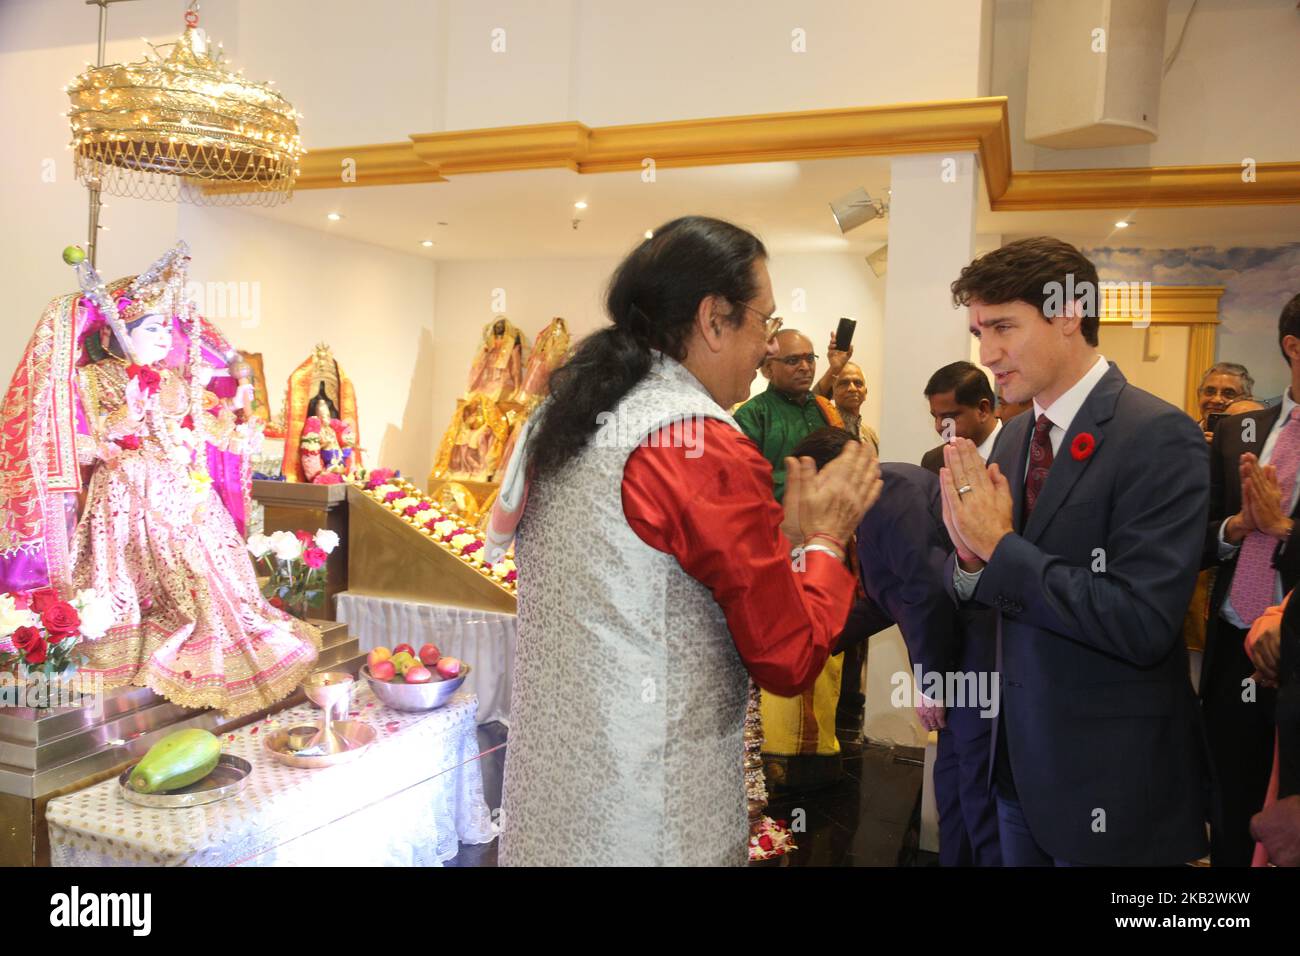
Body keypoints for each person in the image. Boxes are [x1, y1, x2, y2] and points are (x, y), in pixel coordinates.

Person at [496, 216, 881, 866]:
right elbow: (786, 657)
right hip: (651, 815)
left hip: (550, 793)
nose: (766, 348)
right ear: (713, 319)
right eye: (764, 321)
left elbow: (649, 575)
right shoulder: (697, 443)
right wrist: (825, 541)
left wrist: (780, 540)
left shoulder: (567, 413)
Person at [940, 236, 1210, 866]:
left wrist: (998, 549)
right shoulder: (1010, 441)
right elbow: (999, 596)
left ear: (1068, 315)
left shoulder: (1158, 436)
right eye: (980, 330)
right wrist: (969, 566)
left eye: (1003, 326)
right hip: (1016, 772)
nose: (988, 354)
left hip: (1109, 784)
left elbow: (1142, 622)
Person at [1, 245, 322, 716]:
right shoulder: (90, 380)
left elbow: (204, 428)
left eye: (164, 327)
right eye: (151, 327)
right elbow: (77, 446)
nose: (163, 336)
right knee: (144, 578)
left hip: (183, 488)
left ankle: (222, 638)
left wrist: (240, 436)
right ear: (117, 333)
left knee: (209, 572)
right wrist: (122, 419)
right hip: (127, 494)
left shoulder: (171, 379)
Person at [794, 427, 1001, 866]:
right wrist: (812, 640)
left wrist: (931, 684)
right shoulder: (872, 507)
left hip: (973, 659)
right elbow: (881, 600)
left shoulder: (892, 493)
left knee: (975, 791)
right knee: (952, 788)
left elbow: (926, 591)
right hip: (952, 658)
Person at [1202, 292, 1300, 865]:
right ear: (1293, 347)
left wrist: (1285, 526)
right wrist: (1240, 525)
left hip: (1296, 651)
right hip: (1235, 647)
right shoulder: (1240, 432)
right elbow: (1194, 540)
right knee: (1233, 809)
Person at [735, 328, 852, 785]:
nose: (805, 366)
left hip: (825, 542)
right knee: (785, 642)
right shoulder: (753, 415)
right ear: (767, 368)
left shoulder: (822, 410)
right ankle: (776, 754)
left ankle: (820, 748)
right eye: (792, 361)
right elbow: (744, 488)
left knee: (826, 645)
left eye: (809, 359)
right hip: (777, 546)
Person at [920, 361, 1000, 476]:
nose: (938, 427)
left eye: (948, 417)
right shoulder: (933, 461)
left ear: (983, 410)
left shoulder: (1021, 451)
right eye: (935, 417)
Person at [831, 362, 880, 454]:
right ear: (833, 393)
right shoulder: (827, 429)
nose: (852, 388)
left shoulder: (870, 434)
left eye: (858, 383)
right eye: (844, 383)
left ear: (865, 393)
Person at [1198, 362, 1254, 441]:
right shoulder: (1182, 435)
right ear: (1199, 395)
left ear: (1246, 400)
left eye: (1229, 393)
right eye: (1210, 391)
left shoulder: (1251, 440)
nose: (1217, 400)